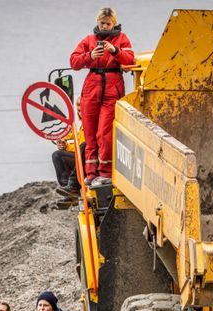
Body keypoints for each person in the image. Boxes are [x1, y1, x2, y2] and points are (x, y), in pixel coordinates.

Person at [70, 7, 135, 187]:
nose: (104, 26)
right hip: (91, 85)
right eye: (102, 23)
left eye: (108, 23)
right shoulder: (89, 40)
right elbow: (74, 62)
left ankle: (105, 173)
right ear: (97, 22)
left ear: (114, 23)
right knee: (90, 132)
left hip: (112, 85)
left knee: (104, 133)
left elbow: (130, 60)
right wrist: (90, 56)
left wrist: (115, 51)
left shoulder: (122, 38)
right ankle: (91, 173)